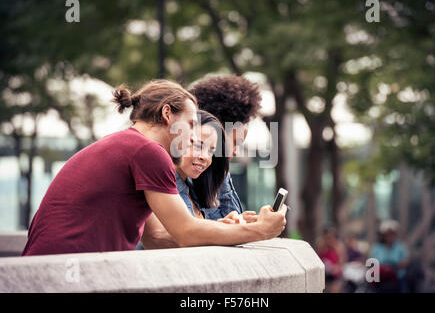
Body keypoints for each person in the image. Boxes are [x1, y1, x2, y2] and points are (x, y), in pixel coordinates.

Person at [22, 79, 287, 256]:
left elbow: (161, 235)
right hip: (68, 272)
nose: (195, 135)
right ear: (167, 114)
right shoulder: (149, 152)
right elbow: (186, 233)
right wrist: (261, 230)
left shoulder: (129, 144)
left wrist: (228, 229)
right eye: (192, 123)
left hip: (52, 266)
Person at [139, 110, 256, 249]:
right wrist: (231, 230)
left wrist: (232, 225)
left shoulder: (196, 186)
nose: (205, 157)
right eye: (198, 146)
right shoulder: (159, 184)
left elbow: (229, 224)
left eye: (211, 151)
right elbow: (164, 238)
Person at [189, 75, 262, 220]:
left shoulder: (215, 171)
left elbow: (232, 216)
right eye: (236, 142)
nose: (236, 151)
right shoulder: (185, 172)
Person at [370, 220, 409, 293]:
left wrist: (393, 266)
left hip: (397, 279)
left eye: (392, 234)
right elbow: (372, 263)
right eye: (387, 234)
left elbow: (405, 262)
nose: (390, 236)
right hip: (381, 280)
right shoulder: (377, 248)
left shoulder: (400, 247)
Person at [317, 226, 347, 293]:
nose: (329, 240)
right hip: (324, 275)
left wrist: (335, 268)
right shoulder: (321, 247)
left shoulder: (339, 247)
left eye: (330, 238)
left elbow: (341, 264)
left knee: (334, 288)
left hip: (335, 276)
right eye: (327, 238)